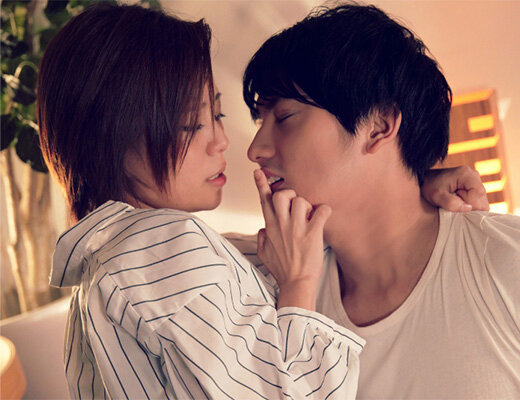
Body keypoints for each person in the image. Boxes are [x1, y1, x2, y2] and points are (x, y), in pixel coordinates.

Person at [38, 3, 487, 399]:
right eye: (191, 123)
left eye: (217, 114)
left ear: (381, 128)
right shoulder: (161, 248)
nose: (226, 142)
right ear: (113, 136)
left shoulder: (114, 266)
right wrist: (299, 285)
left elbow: (258, 260)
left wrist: (409, 182)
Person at [238, 4, 520, 399]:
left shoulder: (516, 265)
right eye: (261, 121)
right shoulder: (270, 282)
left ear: (379, 126)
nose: (256, 149)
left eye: (285, 117)